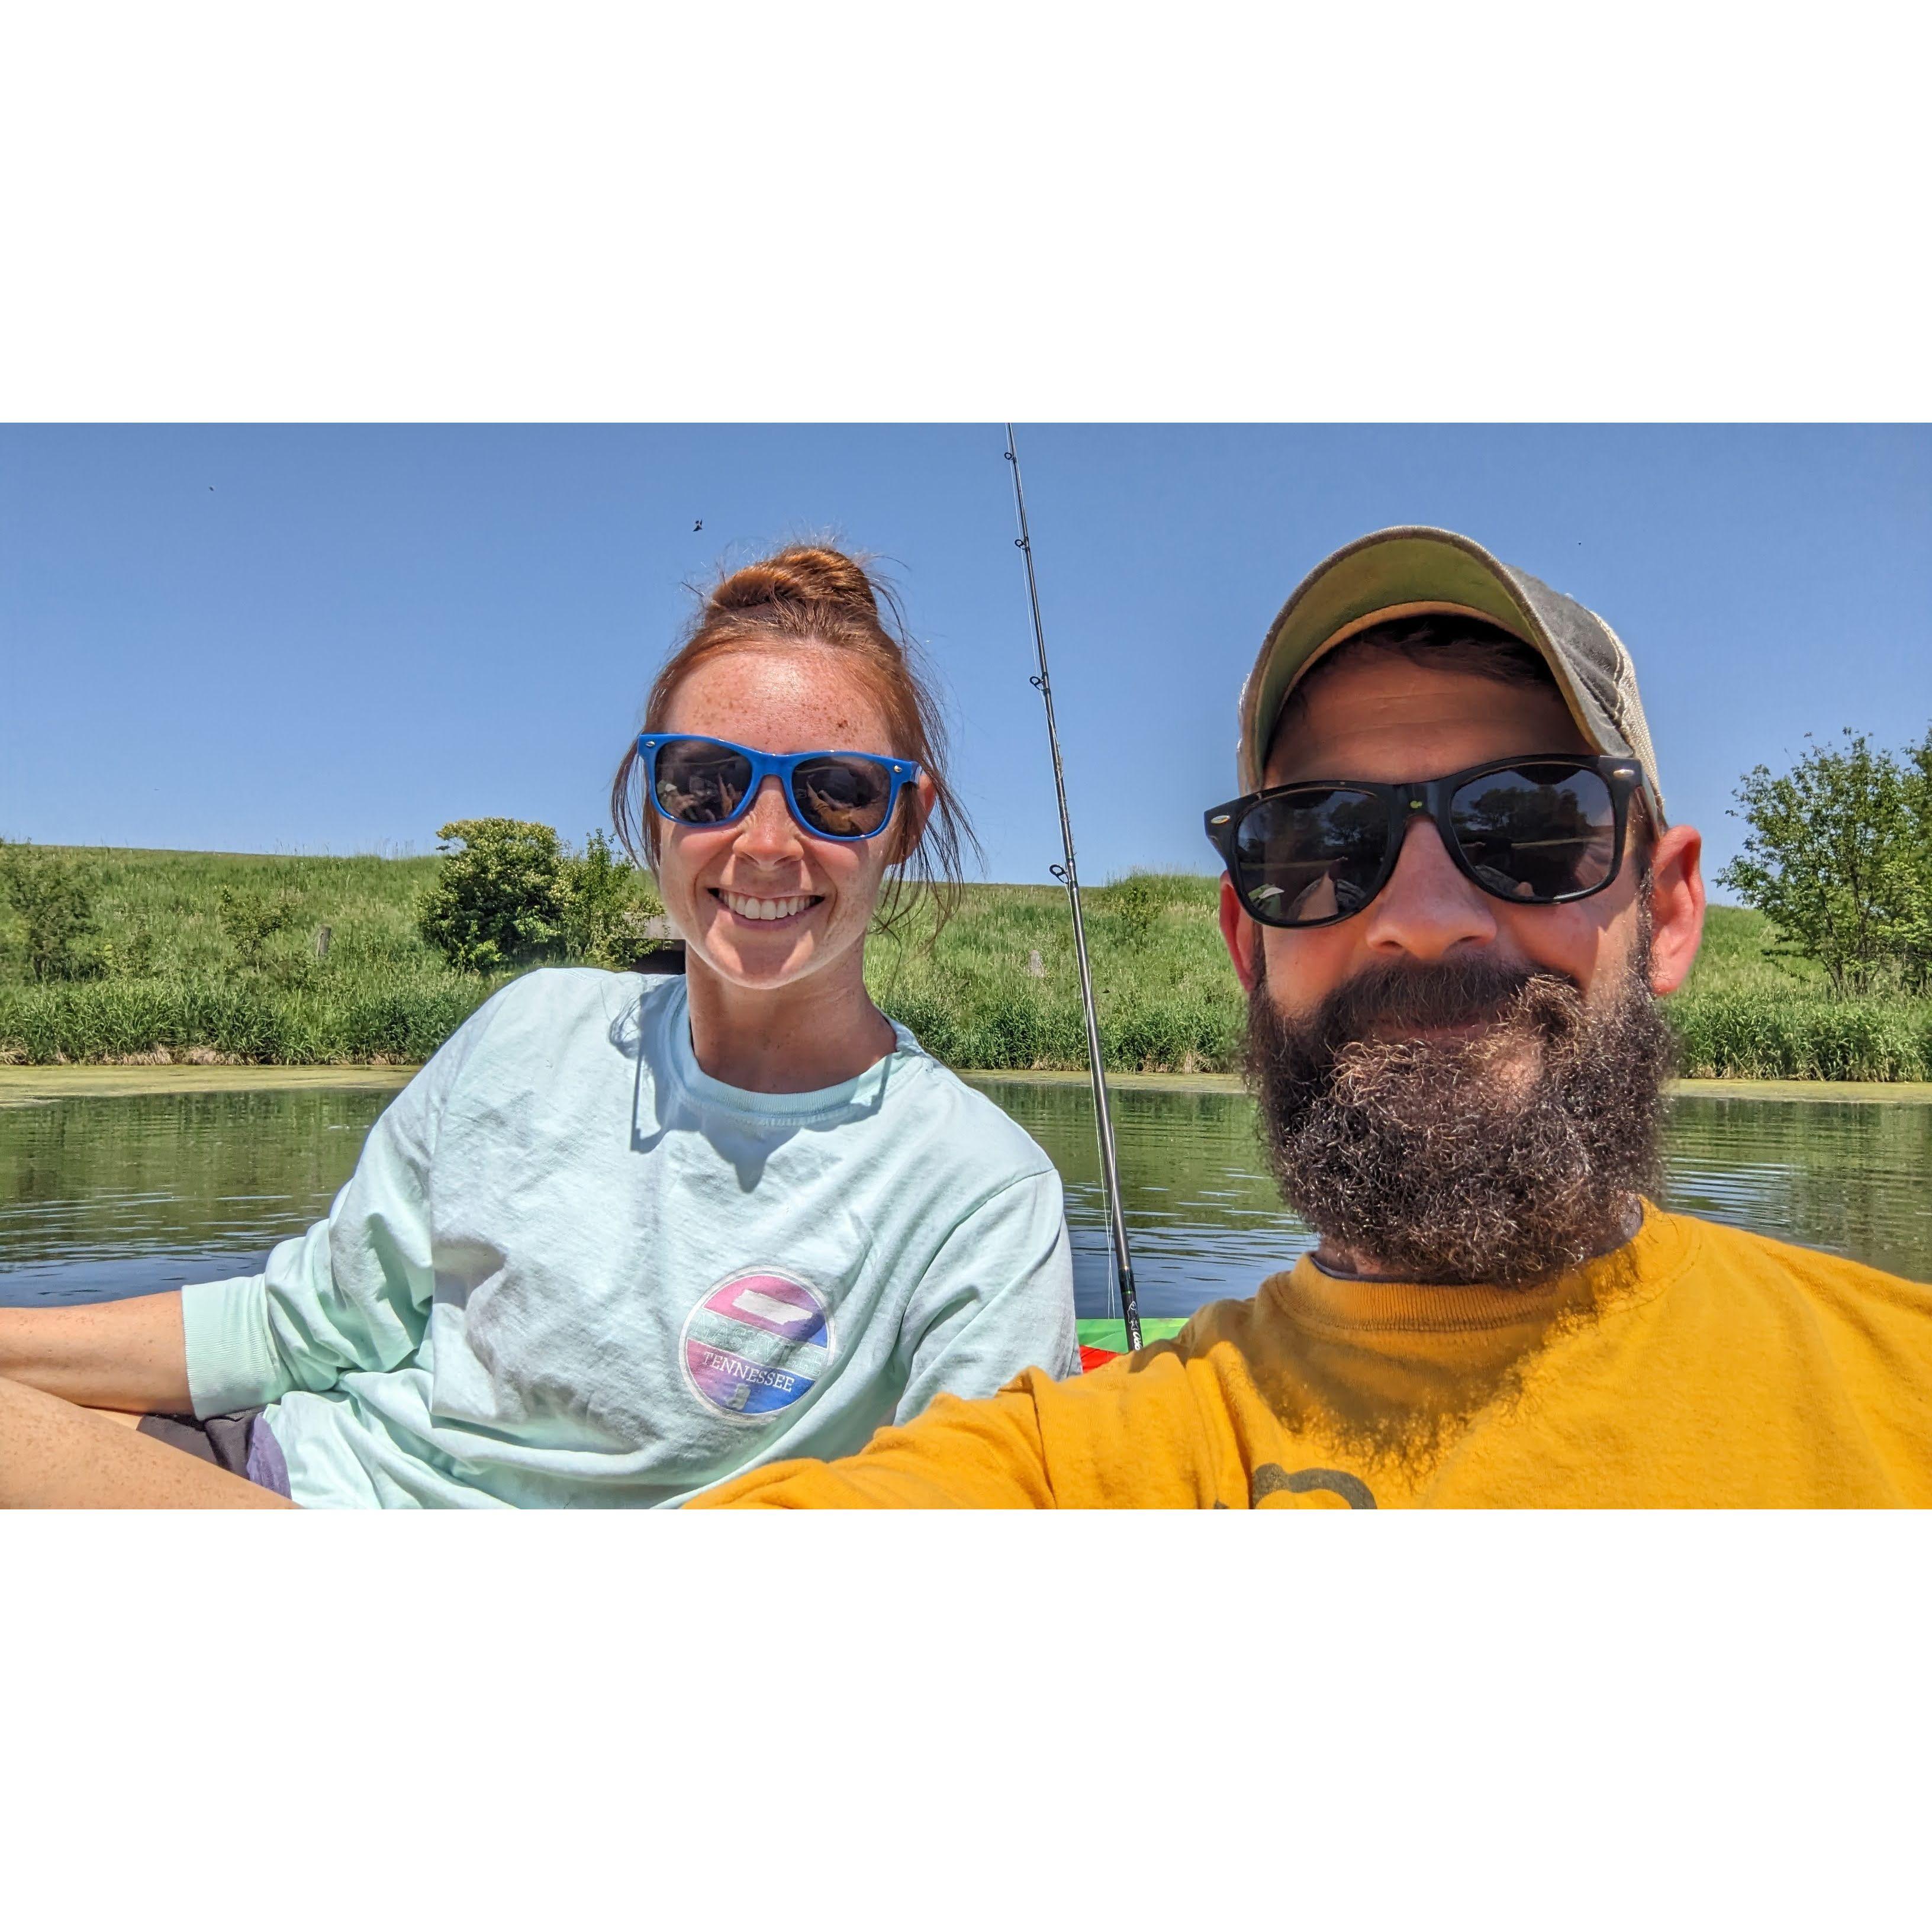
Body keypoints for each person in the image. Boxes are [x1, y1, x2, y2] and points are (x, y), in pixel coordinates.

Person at [688, 524, 1932, 1508]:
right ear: (1248, 943)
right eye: (1326, 843)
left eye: (1533, 824)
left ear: (1666, 913)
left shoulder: (1899, 1383)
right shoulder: (1095, 1465)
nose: (1427, 915)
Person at [0, 545, 1079, 1507]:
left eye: (834, 792)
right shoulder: (530, 1028)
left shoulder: (979, 1195)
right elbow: (304, 1326)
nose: (761, 844)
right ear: (653, 801)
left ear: (907, 819)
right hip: (274, 1466)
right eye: (705, 783)